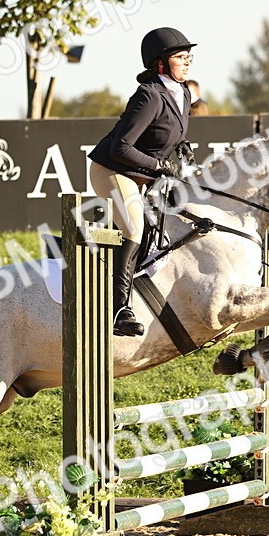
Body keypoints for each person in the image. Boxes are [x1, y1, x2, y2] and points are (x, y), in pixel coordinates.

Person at [88, 27, 196, 337]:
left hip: (142, 175)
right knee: (134, 226)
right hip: (112, 171)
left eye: (189, 56)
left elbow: (169, 133)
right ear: (161, 63)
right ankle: (119, 309)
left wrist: (182, 147)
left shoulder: (183, 92)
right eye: (180, 57)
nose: (188, 62)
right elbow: (120, 147)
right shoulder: (148, 95)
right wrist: (161, 166)